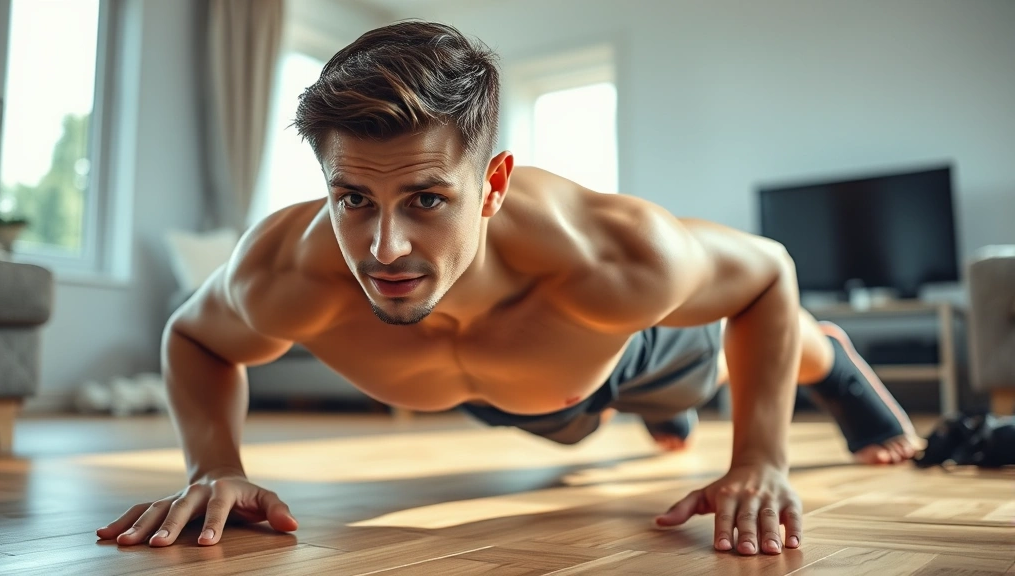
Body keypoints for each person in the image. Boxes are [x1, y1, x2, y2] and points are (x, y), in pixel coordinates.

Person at [96, 20, 918, 557]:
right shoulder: (283, 271)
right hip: (530, 399)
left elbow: (769, 271)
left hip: (622, 351)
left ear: (491, 185)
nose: (383, 248)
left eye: (426, 199)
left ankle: (832, 362)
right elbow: (193, 335)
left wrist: (761, 459)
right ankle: (657, 419)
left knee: (715, 363)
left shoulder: (612, 257)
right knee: (570, 427)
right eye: (353, 199)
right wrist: (214, 464)